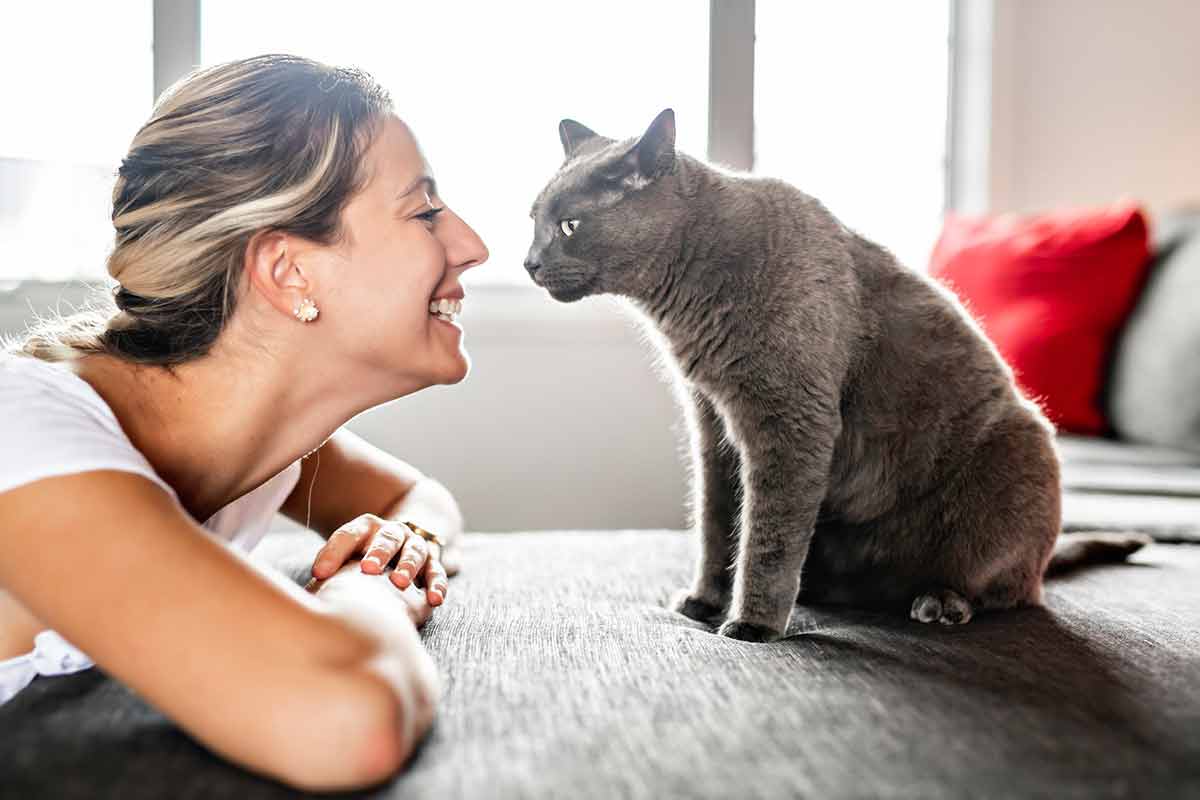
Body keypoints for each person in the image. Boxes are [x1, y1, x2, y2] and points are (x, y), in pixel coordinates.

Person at [0, 54, 488, 790]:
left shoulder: (259, 443)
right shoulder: (24, 433)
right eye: (423, 212)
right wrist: (372, 589)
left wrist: (399, 544)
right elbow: (346, 720)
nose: (472, 246)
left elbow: (415, 499)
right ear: (288, 272)